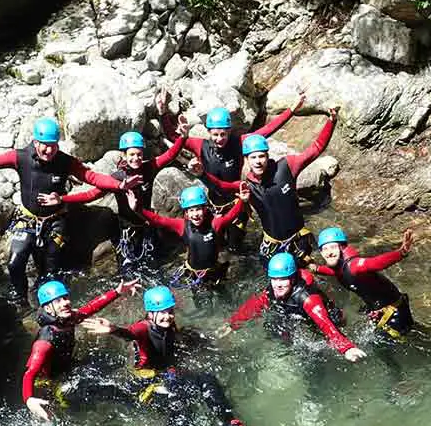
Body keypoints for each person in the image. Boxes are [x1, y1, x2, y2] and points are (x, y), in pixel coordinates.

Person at [0, 118, 142, 305]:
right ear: (35, 142)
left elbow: (91, 177)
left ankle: (50, 301)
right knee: (14, 262)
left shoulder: (65, 161)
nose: (49, 150)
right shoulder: (20, 157)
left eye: (54, 145)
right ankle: (21, 300)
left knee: (52, 267)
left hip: (56, 219)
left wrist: (120, 184)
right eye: (45, 145)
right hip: (28, 218)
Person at [82, 286, 257, 426]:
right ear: (150, 313)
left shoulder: (170, 326)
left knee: (207, 380)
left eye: (169, 311)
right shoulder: (144, 328)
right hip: (146, 386)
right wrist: (114, 330)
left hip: (166, 378)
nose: (167, 316)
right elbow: (131, 333)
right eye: (162, 312)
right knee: (183, 412)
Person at [66, 91, 191, 275]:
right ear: (124, 155)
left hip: (148, 223)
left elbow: (170, 155)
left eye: (139, 154)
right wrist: (63, 199)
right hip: (127, 228)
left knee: (155, 266)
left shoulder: (149, 167)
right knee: (129, 271)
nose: (136, 158)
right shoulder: (117, 177)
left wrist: (183, 137)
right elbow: (92, 194)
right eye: (132, 154)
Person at [202, 108, 339, 267]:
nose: (258, 161)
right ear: (246, 159)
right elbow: (220, 185)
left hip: (299, 239)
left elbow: (316, 148)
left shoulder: (286, 167)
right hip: (271, 245)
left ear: (268, 156)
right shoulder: (246, 186)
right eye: (253, 157)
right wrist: (201, 174)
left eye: (261, 156)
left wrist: (331, 121)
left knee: (307, 275)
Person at [174, 94, 306, 251]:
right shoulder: (200, 146)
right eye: (215, 134)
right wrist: (165, 116)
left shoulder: (239, 143)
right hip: (212, 204)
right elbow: (173, 138)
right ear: (208, 132)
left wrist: (291, 110)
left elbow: (267, 130)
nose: (219, 138)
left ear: (229, 131)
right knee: (213, 244)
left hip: (237, 199)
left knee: (235, 245)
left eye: (223, 133)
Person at [21, 278, 141, 423]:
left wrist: (117, 292)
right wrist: (29, 399)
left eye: (65, 298)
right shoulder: (44, 341)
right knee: (84, 404)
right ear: (47, 309)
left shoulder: (68, 319)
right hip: (53, 382)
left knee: (113, 362)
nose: (65, 302)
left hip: (68, 367)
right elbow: (30, 372)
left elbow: (91, 308)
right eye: (58, 301)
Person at [221, 252, 367, 362]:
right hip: (299, 316)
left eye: (283, 279)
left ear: (293, 278)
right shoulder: (273, 289)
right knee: (272, 326)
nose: (278, 284)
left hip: (330, 320)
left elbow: (324, 323)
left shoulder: (308, 299)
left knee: (316, 354)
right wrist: (232, 324)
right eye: (275, 279)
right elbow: (254, 306)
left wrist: (346, 348)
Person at [126, 183, 249, 289]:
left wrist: (242, 202)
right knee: (200, 302)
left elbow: (230, 217)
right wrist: (137, 209)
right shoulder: (181, 226)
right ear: (186, 212)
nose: (195, 214)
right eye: (191, 210)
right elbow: (158, 220)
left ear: (205, 209)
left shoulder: (215, 224)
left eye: (198, 209)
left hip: (214, 271)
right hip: (193, 273)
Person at [310, 227, 415, 339]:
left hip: (395, 314)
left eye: (332, 247)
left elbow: (376, 263)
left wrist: (401, 253)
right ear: (320, 252)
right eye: (324, 249)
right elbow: (334, 271)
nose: (329, 252)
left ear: (342, 248)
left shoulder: (355, 266)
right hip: (384, 311)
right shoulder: (340, 267)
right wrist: (316, 268)